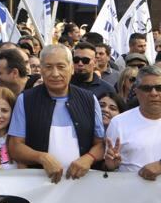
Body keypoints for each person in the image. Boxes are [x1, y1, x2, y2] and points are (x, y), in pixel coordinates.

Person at [7, 44, 104, 183]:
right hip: (40, 186)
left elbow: (100, 144)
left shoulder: (89, 99)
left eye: (61, 66)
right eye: (48, 67)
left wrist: (89, 158)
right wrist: (41, 157)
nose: (55, 73)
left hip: (82, 185)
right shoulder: (26, 100)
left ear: (71, 68)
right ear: (40, 69)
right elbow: (15, 147)